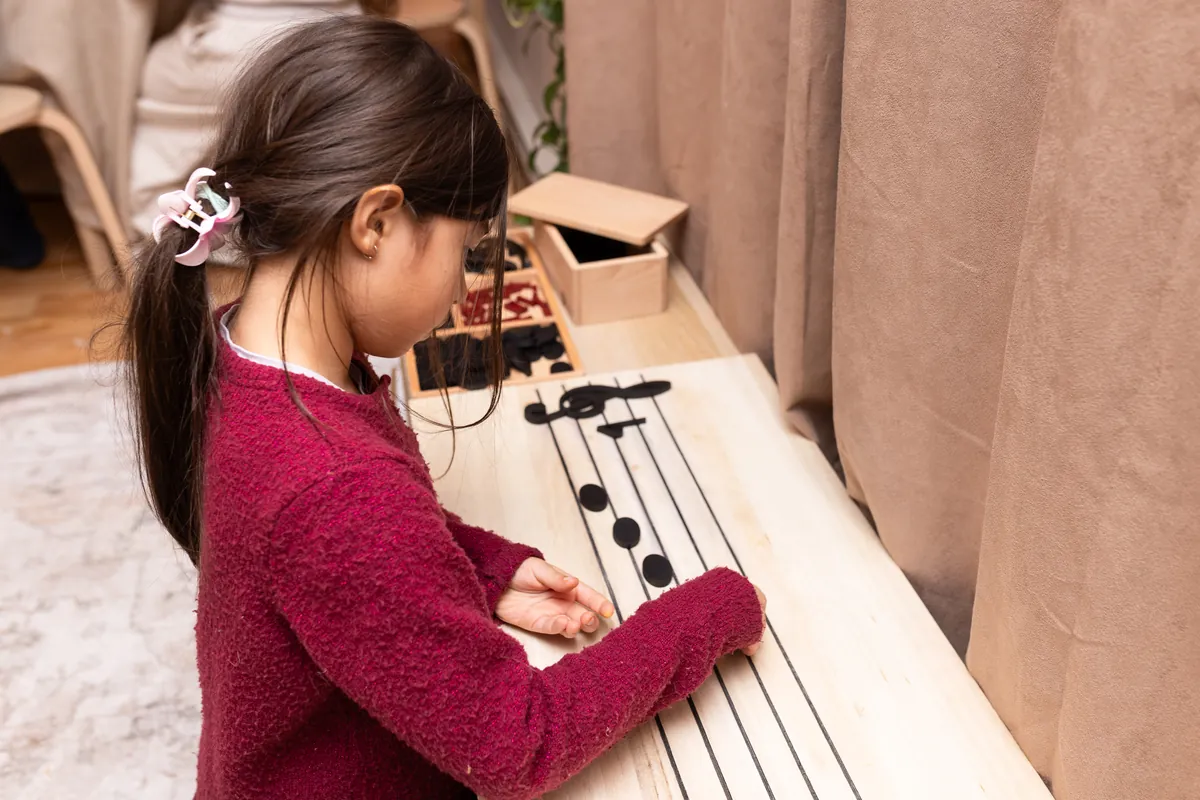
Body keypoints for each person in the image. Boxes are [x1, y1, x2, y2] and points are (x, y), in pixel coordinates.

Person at [122, 15, 766, 800]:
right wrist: (712, 611)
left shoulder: (246, 348)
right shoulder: (332, 486)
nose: (462, 290)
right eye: (462, 254)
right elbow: (516, 745)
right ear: (378, 223)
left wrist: (481, 569)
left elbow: (362, 557)